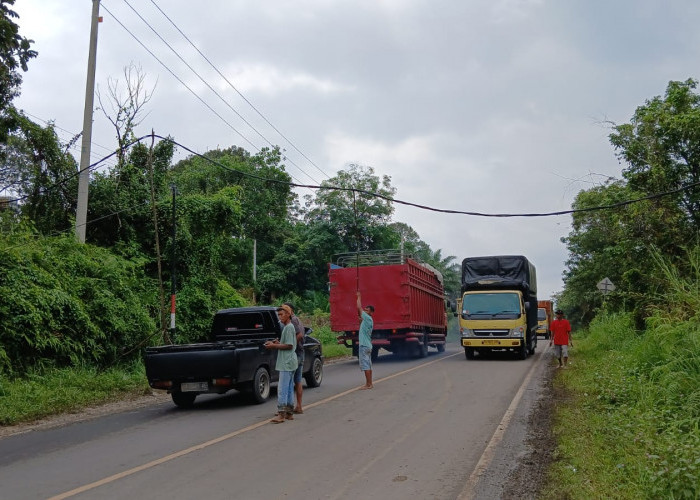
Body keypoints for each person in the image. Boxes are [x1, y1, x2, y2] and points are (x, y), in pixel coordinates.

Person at [264, 305, 298, 423]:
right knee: (288, 388)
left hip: (286, 362)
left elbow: (289, 345)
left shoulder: (288, 327)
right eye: (278, 315)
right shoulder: (288, 327)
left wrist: (274, 346)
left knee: (282, 388)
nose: (280, 317)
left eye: (281, 314)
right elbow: (287, 343)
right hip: (290, 361)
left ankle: (281, 414)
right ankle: (289, 412)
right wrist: (278, 343)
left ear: (288, 314)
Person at [283, 302, 305, 415]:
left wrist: (291, 346)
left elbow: (299, 335)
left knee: (290, 381)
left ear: (290, 311)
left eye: (284, 310)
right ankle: (298, 406)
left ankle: (288, 408)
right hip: (300, 353)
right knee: (297, 381)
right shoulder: (298, 320)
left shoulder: (293, 321)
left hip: (296, 354)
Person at [356, 291, 375, 389]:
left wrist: (359, 296)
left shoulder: (367, 317)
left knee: (365, 365)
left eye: (367, 309)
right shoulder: (368, 320)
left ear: (371, 312)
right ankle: (370, 383)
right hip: (368, 345)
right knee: (369, 365)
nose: (365, 310)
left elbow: (359, 308)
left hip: (364, 345)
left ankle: (368, 384)